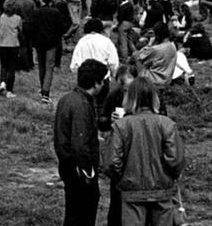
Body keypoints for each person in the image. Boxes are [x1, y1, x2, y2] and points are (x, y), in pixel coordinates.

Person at [106, 75, 186, 226]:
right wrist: (169, 178)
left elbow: (112, 163)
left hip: (131, 193)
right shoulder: (166, 124)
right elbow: (176, 159)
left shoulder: (121, 126)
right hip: (162, 192)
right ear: (154, 97)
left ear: (129, 97)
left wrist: (122, 179)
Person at [53, 59, 109, 226]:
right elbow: (79, 143)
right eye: (103, 81)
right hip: (79, 169)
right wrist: (88, 172)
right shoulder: (82, 105)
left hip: (66, 164)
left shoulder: (66, 99)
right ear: (96, 83)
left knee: (73, 212)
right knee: (83, 214)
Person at [25, 0, 71, 103]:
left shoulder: (36, 13)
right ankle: (46, 92)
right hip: (52, 42)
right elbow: (62, 26)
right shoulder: (55, 12)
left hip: (39, 42)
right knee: (49, 67)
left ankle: (42, 89)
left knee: (41, 66)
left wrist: (34, 38)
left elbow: (30, 27)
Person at [135, 23, 179, 88]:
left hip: (153, 81)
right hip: (166, 80)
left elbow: (139, 55)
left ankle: (139, 82)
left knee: (135, 55)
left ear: (157, 35)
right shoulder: (173, 46)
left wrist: (150, 43)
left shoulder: (155, 49)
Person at [0, 0, 22, 98]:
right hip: (13, 45)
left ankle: (2, 83)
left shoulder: (2, 17)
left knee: (4, 65)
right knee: (12, 68)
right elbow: (21, 32)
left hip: (2, 44)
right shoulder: (17, 18)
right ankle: (10, 90)